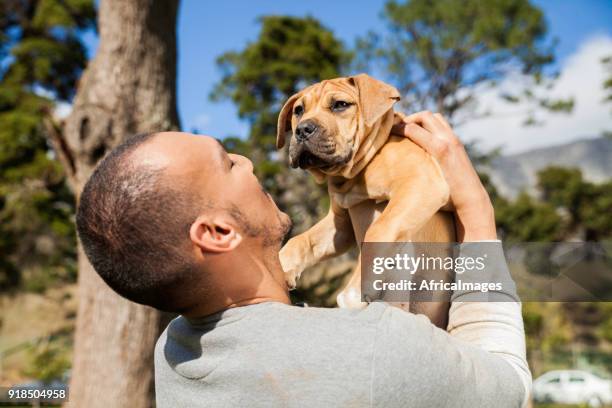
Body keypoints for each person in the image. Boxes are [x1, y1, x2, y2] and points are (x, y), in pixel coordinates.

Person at [75, 111, 531, 407]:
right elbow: (509, 386)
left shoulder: (175, 353)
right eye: (228, 164)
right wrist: (477, 213)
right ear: (217, 233)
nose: (248, 160)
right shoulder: (372, 347)